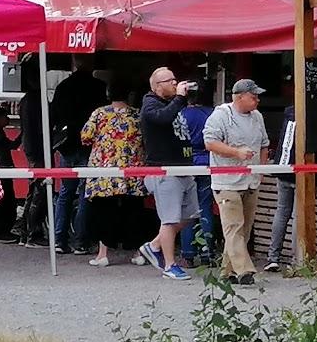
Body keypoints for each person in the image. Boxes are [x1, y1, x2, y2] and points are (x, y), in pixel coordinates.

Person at [203, 78, 270, 285]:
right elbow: (210, 143)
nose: (257, 100)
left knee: (245, 229)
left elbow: (264, 145)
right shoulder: (220, 116)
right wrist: (235, 152)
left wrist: (261, 170)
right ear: (240, 97)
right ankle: (245, 270)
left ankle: (227, 271)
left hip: (250, 181)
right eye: (253, 96)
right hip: (226, 181)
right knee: (233, 226)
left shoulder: (257, 117)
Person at [79, 77, 150, 267]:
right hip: (133, 171)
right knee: (134, 211)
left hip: (105, 172)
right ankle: (137, 253)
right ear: (129, 94)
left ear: (108, 94)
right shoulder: (137, 115)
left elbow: (85, 137)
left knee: (104, 212)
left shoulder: (99, 114)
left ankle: (103, 254)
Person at [137, 67, 198, 281]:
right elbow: (162, 119)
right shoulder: (150, 105)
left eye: (176, 79)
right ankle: (169, 265)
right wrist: (180, 98)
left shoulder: (172, 104)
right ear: (156, 86)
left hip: (183, 167)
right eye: (169, 80)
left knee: (191, 214)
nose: (175, 83)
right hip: (163, 169)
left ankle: (154, 246)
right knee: (170, 219)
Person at [50, 53, 107, 255]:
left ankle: (58, 239)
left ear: (75, 63)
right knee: (85, 194)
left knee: (65, 193)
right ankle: (81, 242)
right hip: (88, 146)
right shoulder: (99, 88)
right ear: (91, 64)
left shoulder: (63, 87)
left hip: (67, 145)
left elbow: (53, 114)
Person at [177, 84, 217, 265]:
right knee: (205, 207)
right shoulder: (213, 114)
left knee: (187, 209)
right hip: (208, 163)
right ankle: (207, 252)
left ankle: (188, 253)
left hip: (186, 164)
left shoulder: (180, 114)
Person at [17, 59, 49, 247]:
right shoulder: (37, 99)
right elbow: (39, 127)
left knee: (34, 191)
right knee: (40, 190)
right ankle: (33, 234)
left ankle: (25, 232)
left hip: (31, 149)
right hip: (38, 149)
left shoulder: (26, 100)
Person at [265, 98, 296, 273]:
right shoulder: (309, 115)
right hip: (300, 169)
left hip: (282, 167)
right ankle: (298, 259)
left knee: (282, 211)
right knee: (298, 215)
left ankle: (273, 257)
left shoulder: (289, 113)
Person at [0, 103, 22, 243]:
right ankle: (1, 232)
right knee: (6, 202)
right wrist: (23, 133)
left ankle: (3, 230)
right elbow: (12, 146)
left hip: (2, 170)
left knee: (6, 201)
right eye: (4, 116)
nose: (7, 119)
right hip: (1, 171)